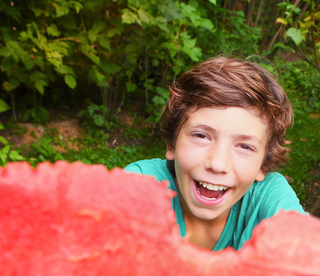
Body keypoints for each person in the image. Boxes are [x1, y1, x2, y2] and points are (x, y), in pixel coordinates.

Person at [125, 56, 306, 250]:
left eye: (245, 146)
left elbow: (307, 246)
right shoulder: (143, 182)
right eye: (202, 136)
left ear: (263, 165)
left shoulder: (268, 197)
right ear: (171, 144)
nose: (218, 164)